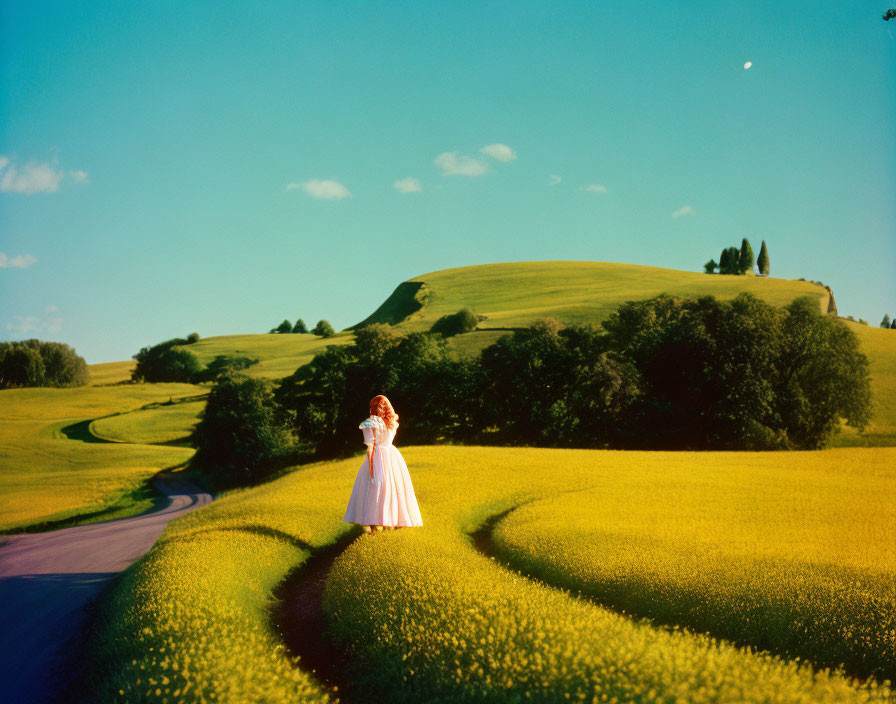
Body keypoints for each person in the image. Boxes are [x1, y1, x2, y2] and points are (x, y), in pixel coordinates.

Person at [343, 395, 423, 532]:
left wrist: (370, 467)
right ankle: (390, 523)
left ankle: (373, 526)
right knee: (393, 488)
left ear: (373, 408)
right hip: (392, 455)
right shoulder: (394, 423)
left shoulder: (369, 424)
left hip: (377, 456)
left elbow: (370, 447)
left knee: (373, 489)